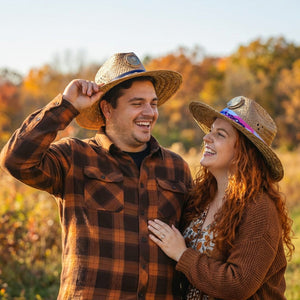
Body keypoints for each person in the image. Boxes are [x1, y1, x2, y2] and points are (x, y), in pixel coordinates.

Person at [0, 52, 193, 299]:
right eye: (137, 104)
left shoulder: (176, 168)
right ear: (107, 109)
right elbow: (15, 160)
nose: (150, 112)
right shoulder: (74, 157)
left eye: (153, 103)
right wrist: (66, 105)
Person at [148, 96, 294, 299]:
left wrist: (182, 254)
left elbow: (239, 285)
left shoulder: (259, 209)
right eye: (210, 131)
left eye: (220, 134)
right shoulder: (200, 198)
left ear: (242, 151)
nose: (206, 138)